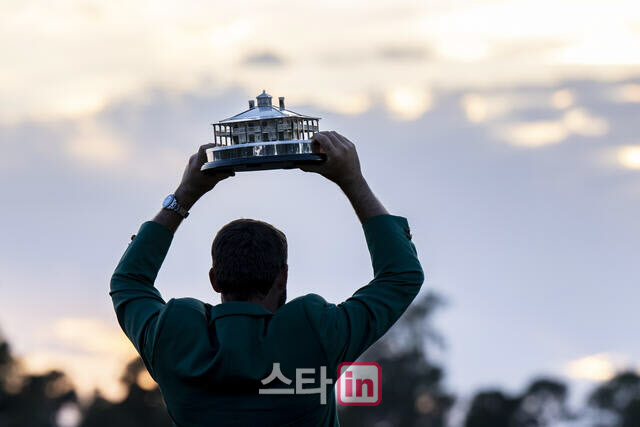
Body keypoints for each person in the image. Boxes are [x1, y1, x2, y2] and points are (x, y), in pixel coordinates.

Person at [110, 131, 424, 426]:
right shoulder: (315, 333)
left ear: (215, 280)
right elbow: (400, 275)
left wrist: (185, 195)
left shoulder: (174, 338)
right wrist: (352, 181)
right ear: (282, 277)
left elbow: (129, 282)